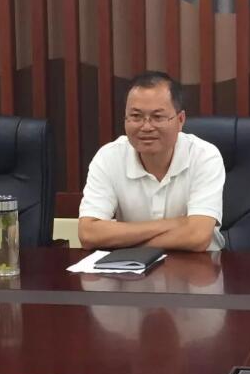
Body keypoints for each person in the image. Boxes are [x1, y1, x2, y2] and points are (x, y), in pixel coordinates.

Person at [78, 71, 225, 252]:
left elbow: (197, 236)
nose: (146, 127)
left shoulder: (204, 156)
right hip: (131, 267)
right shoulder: (108, 157)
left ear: (180, 120)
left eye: (158, 117)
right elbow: (88, 233)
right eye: (136, 116)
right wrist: (175, 223)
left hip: (198, 264)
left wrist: (126, 242)